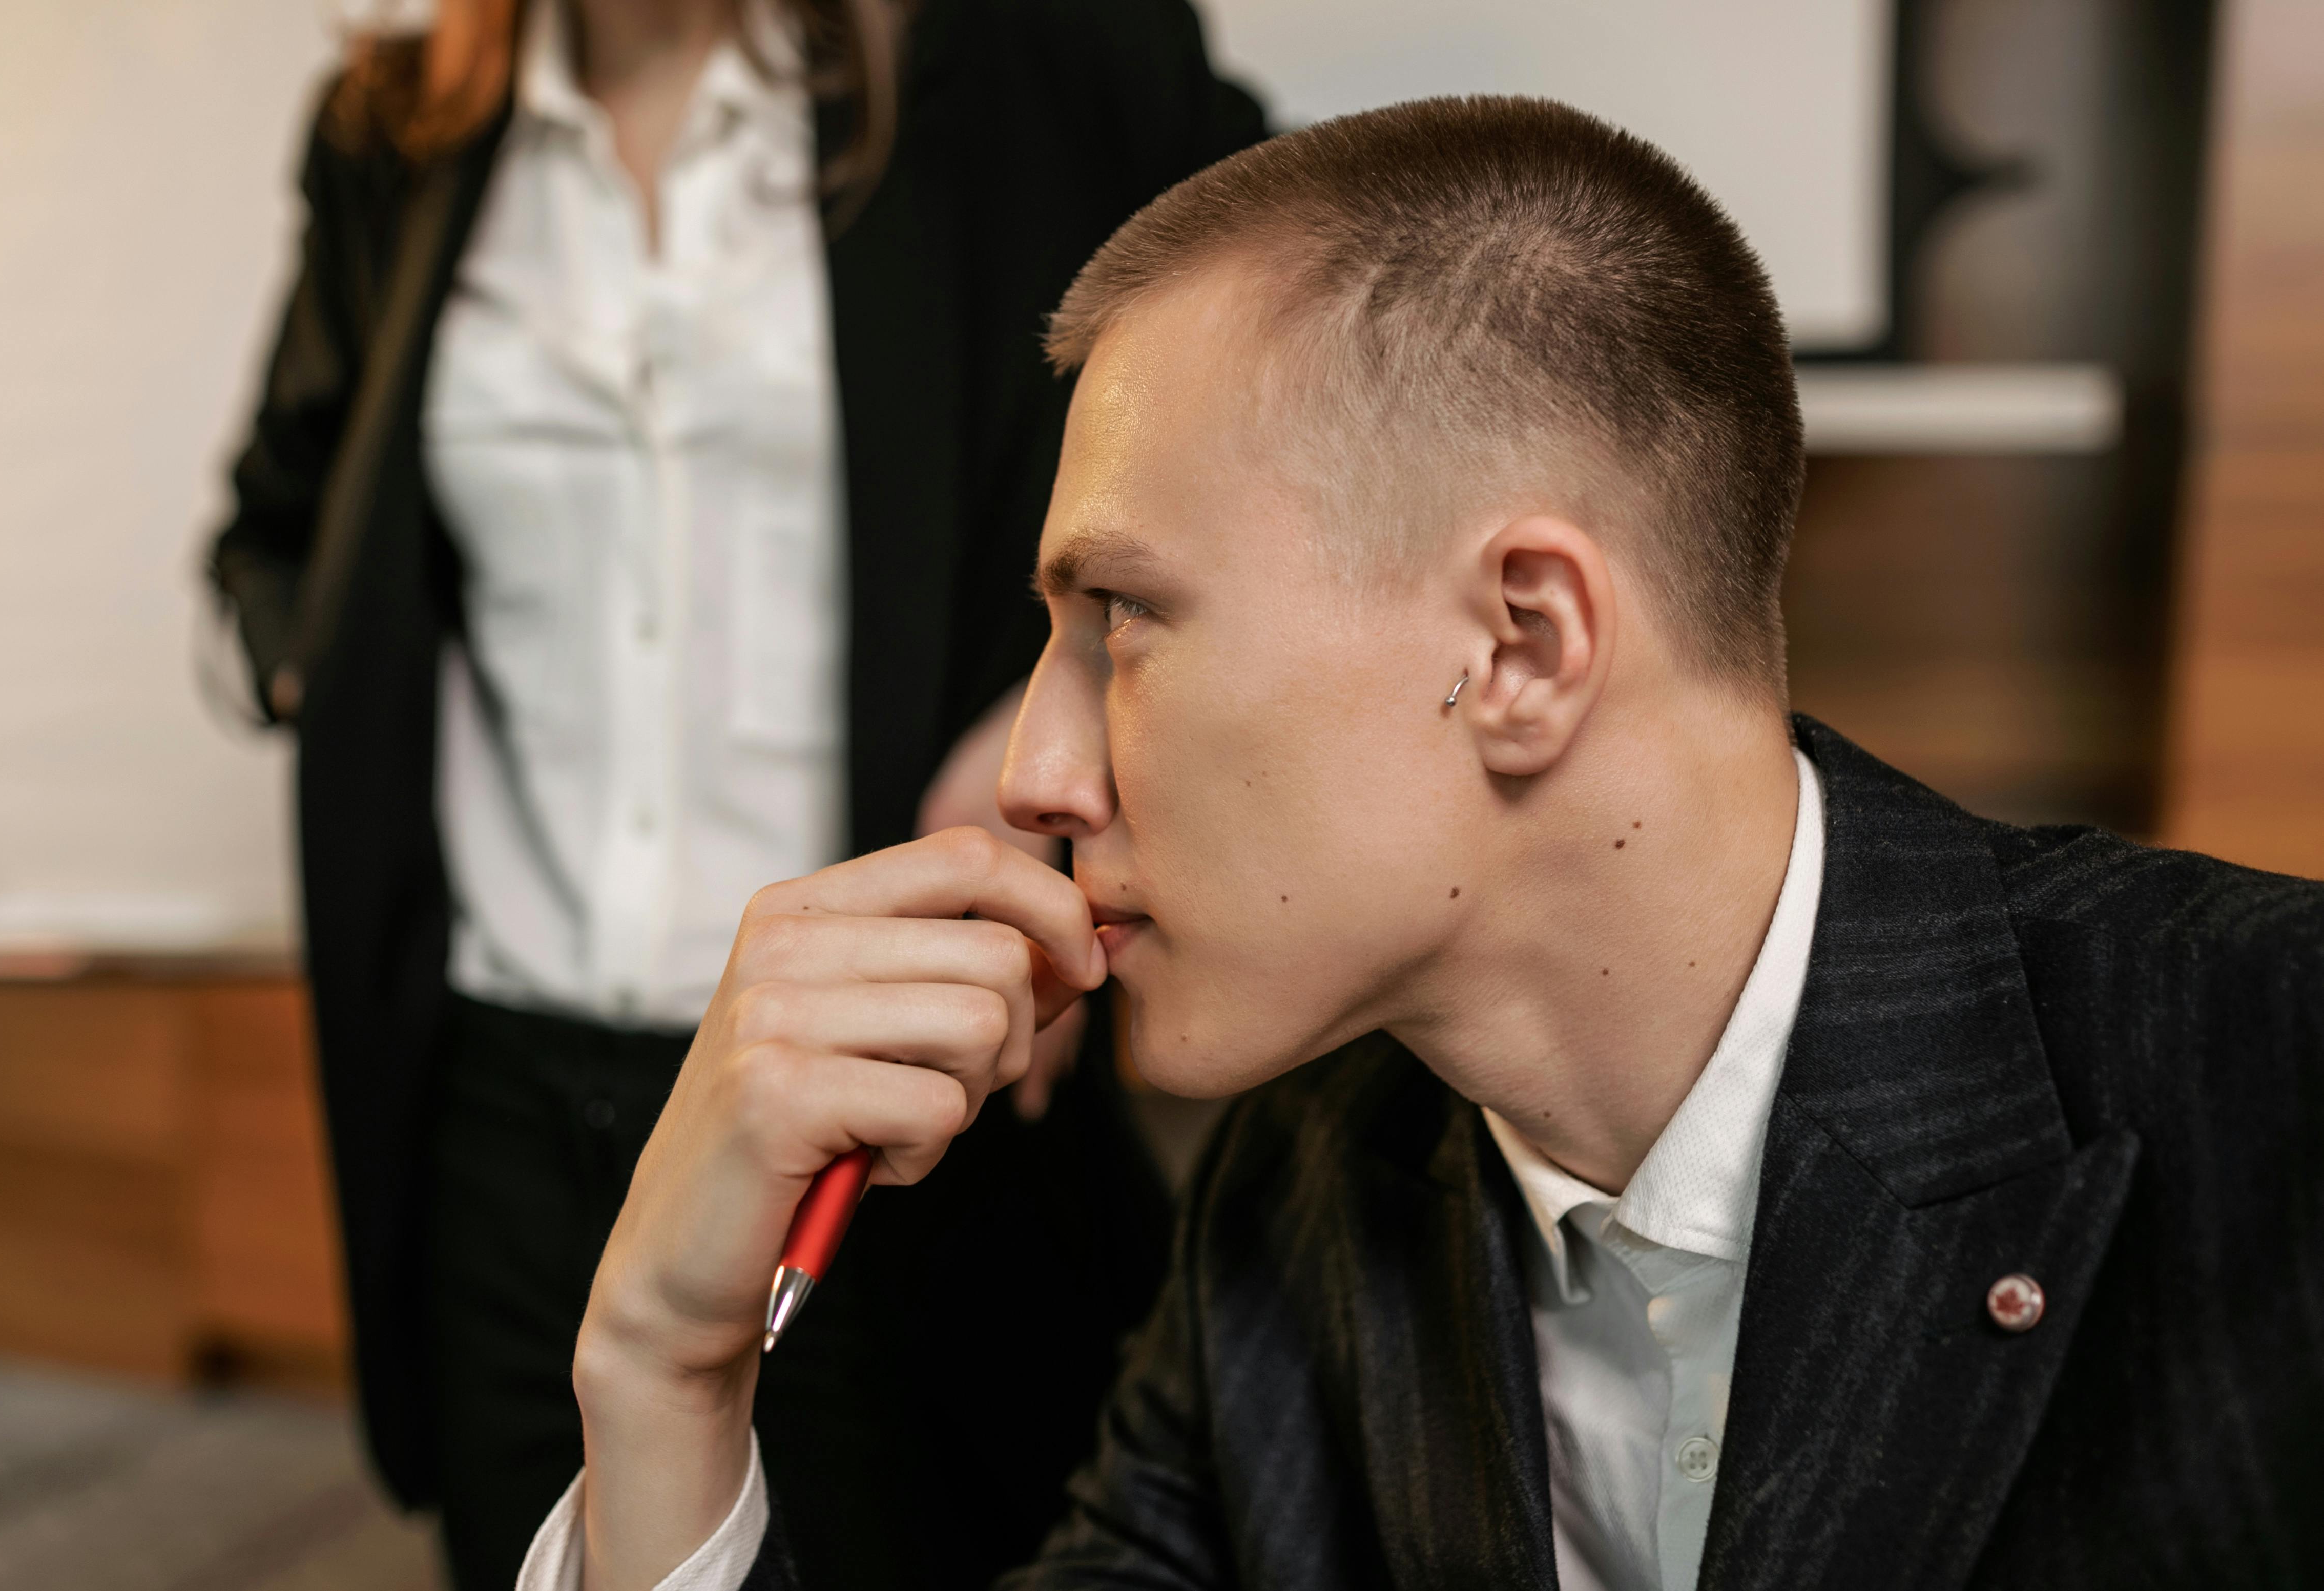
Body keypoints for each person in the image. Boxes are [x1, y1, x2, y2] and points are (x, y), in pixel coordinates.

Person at [518, 95, 2324, 1590]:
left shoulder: (2271, 1078)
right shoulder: (1292, 1200)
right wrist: (662, 1375)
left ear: (1522, 646)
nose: (1034, 772)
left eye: (1122, 618)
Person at [204, 2, 1263, 1586]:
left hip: (901, 1102)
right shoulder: (391, 132)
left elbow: (1304, 386)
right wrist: (331, 680)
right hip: (505, 1106)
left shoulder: (1042, 58)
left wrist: (1078, 693)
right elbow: (275, 531)